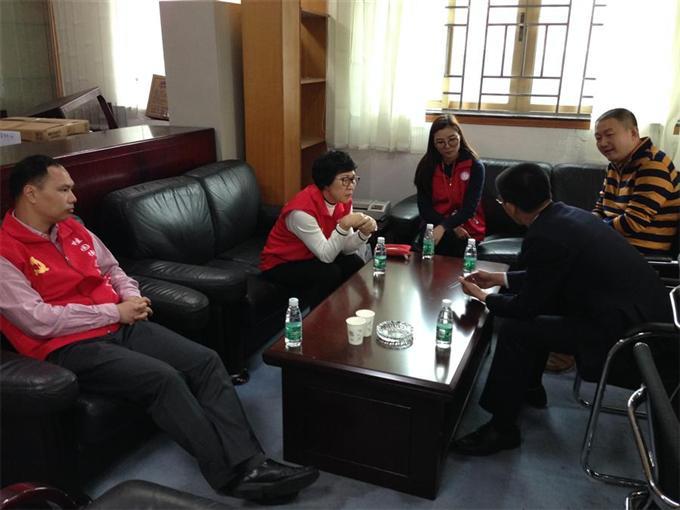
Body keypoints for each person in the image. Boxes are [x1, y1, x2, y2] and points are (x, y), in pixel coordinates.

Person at [0, 155, 319, 502]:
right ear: (31, 194)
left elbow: (113, 268)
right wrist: (113, 311)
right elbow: (37, 319)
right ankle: (228, 476)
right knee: (163, 379)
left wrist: (131, 297)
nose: (73, 197)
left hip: (119, 322)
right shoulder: (6, 250)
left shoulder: (72, 228)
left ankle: (252, 464)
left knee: (206, 361)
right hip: (68, 345)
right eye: (63, 190)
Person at [452, 162, 672, 455]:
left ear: (512, 207)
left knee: (516, 330)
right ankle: (529, 388)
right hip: (645, 319)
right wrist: (499, 279)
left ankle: (501, 429)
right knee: (543, 309)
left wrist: (484, 297)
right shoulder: (567, 216)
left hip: (630, 338)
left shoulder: (544, 235)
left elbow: (525, 306)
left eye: (502, 202)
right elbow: (549, 277)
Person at [260, 150, 377, 308]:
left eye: (353, 179)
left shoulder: (342, 200)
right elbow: (326, 256)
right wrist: (344, 226)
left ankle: (359, 309)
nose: (351, 186)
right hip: (281, 263)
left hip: (312, 255)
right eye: (344, 180)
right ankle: (319, 319)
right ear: (326, 183)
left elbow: (346, 249)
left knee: (353, 262)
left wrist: (363, 233)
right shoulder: (301, 212)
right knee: (328, 272)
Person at [593, 108, 679, 257]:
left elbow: (634, 222)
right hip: (613, 244)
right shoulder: (615, 165)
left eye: (609, 135)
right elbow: (601, 208)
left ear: (633, 133)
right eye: (598, 138)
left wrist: (593, 229)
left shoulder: (653, 165)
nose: (603, 143)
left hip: (641, 254)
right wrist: (587, 222)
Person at [413, 114, 485, 256]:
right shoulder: (427, 166)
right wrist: (447, 226)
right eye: (440, 142)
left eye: (452, 139)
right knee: (431, 242)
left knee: (456, 242)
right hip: (435, 222)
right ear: (433, 144)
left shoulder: (475, 166)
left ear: (460, 137)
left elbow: (470, 208)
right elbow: (424, 209)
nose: (447, 146)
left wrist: (445, 226)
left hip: (467, 223)